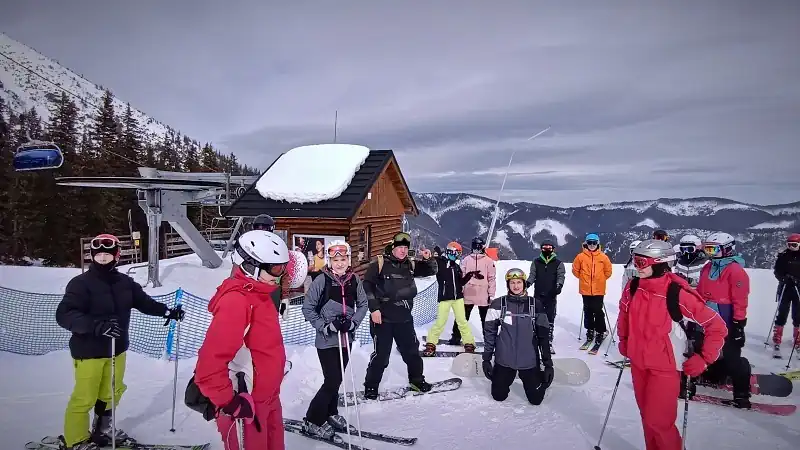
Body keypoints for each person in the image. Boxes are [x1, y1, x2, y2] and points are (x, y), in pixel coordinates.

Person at [55, 234, 185, 450]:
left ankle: (103, 429)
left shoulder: (125, 283)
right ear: (92, 256)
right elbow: (64, 315)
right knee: (85, 397)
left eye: (107, 254)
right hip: (88, 351)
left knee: (112, 392)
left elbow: (144, 303)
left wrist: (167, 312)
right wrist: (96, 326)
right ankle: (75, 440)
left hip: (117, 349)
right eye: (98, 254)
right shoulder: (80, 284)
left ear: (116, 256)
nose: (102, 257)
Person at [617, 240, 727, 450]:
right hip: (638, 363)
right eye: (634, 261)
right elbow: (624, 313)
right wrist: (624, 339)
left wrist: (704, 358)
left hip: (665, 367)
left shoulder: (676, 293)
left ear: (660, 263)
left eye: (641, 262)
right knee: (647, 418)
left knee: (659, 421)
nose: (636, 267)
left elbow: (717, 326)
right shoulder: (633, 287)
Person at [194, 230, 290, 450]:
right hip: (246, 408)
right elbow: (209, 367)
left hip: (268, 400)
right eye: (275, 268)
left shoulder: (261, 294)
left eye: (282, 267)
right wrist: (230, 403)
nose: (280, 274)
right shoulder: (236, 302)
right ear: (250, 265)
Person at [300, 240, 368, 439]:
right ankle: (312, 420)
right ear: (330, 261)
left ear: (348, 260)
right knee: (332, 380)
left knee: (336, 380)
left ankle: (330, 413)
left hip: (346, 338)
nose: (339, 263)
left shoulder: (354, 280)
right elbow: (308, 309)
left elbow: (363, 304)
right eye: (335, 260)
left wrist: (353, 323)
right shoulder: (322, 280)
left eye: (343, 259)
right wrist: (326, 326)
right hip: (327, 340)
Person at [362, 232, 438, 398]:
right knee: (381, 356)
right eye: (400, 247)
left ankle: (416, 381)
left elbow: (431, 270)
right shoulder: (379, 264)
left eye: (405, 247)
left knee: (412, 353)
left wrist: (428, 259)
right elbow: (367, 286)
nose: (403, 251)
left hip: (404, 318)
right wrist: (374, 309)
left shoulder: (410, 264)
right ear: (393, 248)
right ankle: (371, 386)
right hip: (382, 319)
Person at [694, 231, 752, 408]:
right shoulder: (707, 267)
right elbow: (699, 292)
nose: (710, 254)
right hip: (706, 316)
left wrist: (738, 323)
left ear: (727, 249)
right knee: (702, 347)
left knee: (731, 354)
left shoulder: (735, 271)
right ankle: (714, 374)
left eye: (714, 250)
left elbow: (740, 300)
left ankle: (741, 395)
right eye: (707, 249)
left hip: (726, 316)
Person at [482, 268, 554, 405]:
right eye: (512, 282)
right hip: (504, 359)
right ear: (508, 285)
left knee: (536, 400)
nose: (516, 286)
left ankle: (536, 378)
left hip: (529, 360)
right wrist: (486, 359)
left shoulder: (535, 305)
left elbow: (543, 337)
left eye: (519, 282)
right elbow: (490, 334)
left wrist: (548, 364)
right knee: (498, 396)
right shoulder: (498, 304)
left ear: (524, 283)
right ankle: (501, 377)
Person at [423, 242, 478, 355]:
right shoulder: (441, 263)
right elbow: (431, 264)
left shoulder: (456, 266)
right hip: (445, 298)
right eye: (456, 253)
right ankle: (431, 343)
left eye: (458, 254)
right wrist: (429, 257)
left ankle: (469, 343)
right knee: (440, 322)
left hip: (458, 298)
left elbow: (460, 282)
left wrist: (470, 275)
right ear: (450, 252)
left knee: (462, 321)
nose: (457, 256)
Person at [450, 236, 496, 345]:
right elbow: (461, 277)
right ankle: (456, 337)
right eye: (475, 246)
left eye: (478, 247)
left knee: (482, 319)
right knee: (464, 317)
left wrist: (491, 294)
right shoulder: (468, 260)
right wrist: (460, 290)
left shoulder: (487, 261)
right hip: (472, 293)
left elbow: (491, 278)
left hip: (480, 293)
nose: (476, 249)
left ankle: (488, 339)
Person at [571, 233, 613, 349]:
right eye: (590, 243)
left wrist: (600, 279)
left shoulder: (603, 257)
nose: (592, 245)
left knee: (598, 311)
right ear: (586, 244)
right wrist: (583, 278)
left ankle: (600, 331)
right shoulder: (580, 257)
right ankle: (590, 329)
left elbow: (608, 271)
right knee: (588, 310)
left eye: (594, 243)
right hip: (585, 289)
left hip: (599, 289)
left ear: (598, 244)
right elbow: (575, 270)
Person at [526, 240, 565, 355]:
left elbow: (561, 276)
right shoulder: (536, 262)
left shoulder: (558, 263)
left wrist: (559, 285)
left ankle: (548, 339)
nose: (547, 250)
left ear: (553, 249)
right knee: (537, 315)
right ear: (541, 249)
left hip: (551, 294)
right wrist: (527, 284)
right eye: (544, 248)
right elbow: (532, 275)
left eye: (549, 248)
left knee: (549, 316)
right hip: (538, 293)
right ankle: (536, 336)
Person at [771, 233, 800, 355]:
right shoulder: (783, 256)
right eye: (789, 245)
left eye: (794, 245)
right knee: (782, 313)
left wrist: (797, 280)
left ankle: (797, 339)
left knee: (798, 315)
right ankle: (777, 337)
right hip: (785, 288)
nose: (791, 247)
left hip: (798, 289)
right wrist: (783, 278)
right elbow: (777, 271)